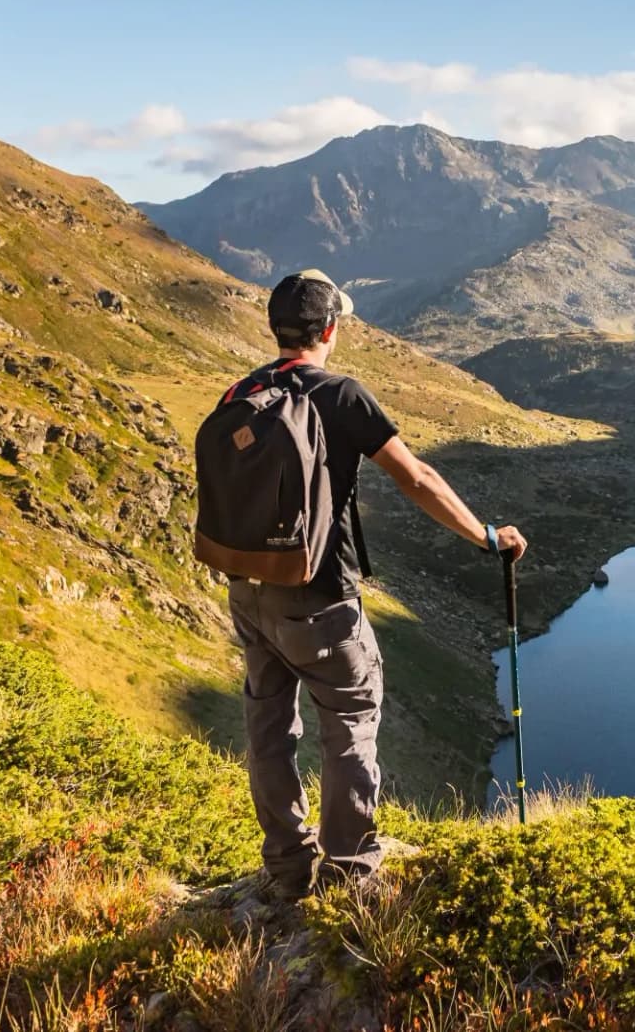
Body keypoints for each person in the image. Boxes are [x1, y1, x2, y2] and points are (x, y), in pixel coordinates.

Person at [220, 269, 527, 897]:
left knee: (269, 729)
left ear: (277, 328)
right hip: (322, 599)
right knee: (350, 725)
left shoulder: (240, 393)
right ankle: (350, 877)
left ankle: (285, 870)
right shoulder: (341, 395)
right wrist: (487, 536)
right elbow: (416, 479)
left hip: (250, 592)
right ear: (330, 328)